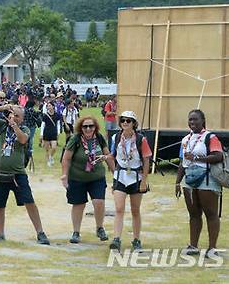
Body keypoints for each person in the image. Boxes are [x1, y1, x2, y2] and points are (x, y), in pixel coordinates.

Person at [0, 104, 50, 244]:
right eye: (12, 114)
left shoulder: (24, 129)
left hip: (17, 174)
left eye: (17, 116)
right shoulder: (1, 125)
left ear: (22, 119)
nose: (14, 117)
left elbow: (23, 139)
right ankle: (1, 235)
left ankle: (40, 232)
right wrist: (1, 108)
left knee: (29, 201)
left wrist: (14, 126)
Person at [176, 109, 224, 257]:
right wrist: (177, 182)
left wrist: (196, 159)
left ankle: (212, 248)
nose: (192, 122)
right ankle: (193, 246)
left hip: (207, 179)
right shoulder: (186, 139)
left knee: (211, 214)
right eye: (190, 119)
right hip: (189, 180)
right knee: (194, 214)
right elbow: (183, 162)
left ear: (203, 121)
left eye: (195, 119)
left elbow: (218, 156)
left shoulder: (210, 137)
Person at [60, 116, 115, 244]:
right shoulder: (75, 139)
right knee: (79, 204)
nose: (88, 129)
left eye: (91, 126)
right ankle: (76, 232)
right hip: (77, 178)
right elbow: (66, 158)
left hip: (97, 177)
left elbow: (109, 156)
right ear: (81, 128)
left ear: (95, 127)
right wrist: (64, 175)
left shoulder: (99, 138)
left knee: (99, 202)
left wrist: (115, 173)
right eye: (85, 126)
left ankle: (100, 228)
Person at [109, 111, 152, 252]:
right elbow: (113, 156)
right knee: (119, 209)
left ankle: (136, 239)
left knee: (135, 210)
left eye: (129, 120)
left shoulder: (141, 139)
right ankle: (116, 239)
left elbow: (146, 160)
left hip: (135, 177)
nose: (125, 123)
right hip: (120, 176)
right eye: (123, 120)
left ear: (134, 123)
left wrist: (144, 181)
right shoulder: (116, 137)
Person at [40, 103, 61, 167]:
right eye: (47, 106)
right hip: (46, 132)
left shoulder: (57, 115)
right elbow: (43, 125)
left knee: (54, 147)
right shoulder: (45, 115)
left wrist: (58, 132)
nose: (48, 107)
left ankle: (51, 156)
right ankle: (48, 161)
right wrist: (41, 134)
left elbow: (58, 124)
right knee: (47, 149)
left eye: (50, 105)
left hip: (54, 132)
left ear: (53, 106)